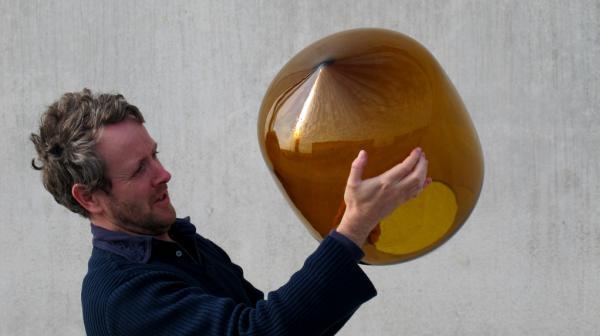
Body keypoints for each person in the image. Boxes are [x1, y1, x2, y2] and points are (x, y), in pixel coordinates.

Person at [31, 89, 431, 335]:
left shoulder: (177, 241)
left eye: (155, 155)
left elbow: (278, 322)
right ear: (89, 197)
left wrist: (356, 229)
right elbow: (257, 334)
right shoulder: (122, 297)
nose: (163, 174)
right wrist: (351, 230)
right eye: (139, 169)